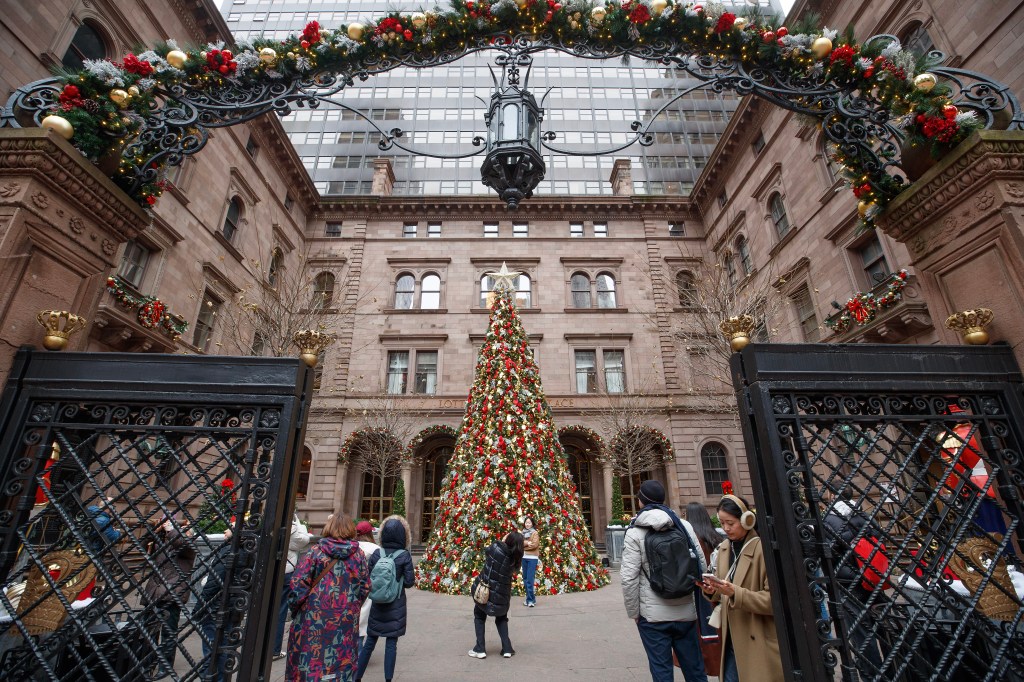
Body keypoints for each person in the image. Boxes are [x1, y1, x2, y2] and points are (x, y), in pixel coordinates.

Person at [621, 480, 708, 682]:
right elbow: (700, 565)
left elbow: (628, 579)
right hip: (685, 613)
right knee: (695, 670)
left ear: (641, 501)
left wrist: (635, 613)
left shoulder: (635, 531)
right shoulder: (683, 526)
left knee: (662, 672)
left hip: (652, 617)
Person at [701, 494, 783, 682]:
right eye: (722, 523)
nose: (726, 528)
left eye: (730, 522)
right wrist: (710, 590)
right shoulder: (723, 549)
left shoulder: (763, 550)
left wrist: (734, 593)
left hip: (758, 638)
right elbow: (721, 591)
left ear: (747, 520)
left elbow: (774, 601)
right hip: (731, 639)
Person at [286, 513, 370, 682]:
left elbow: (297, 586)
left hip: (312, 620)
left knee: (310, 663)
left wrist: (297, 609)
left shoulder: (315, 552)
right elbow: (365, 587)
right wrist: (351, 606)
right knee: (340, 664)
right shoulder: (358, 555)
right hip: (344, 621)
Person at [821, 494, 885, 672]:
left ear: (832, 496)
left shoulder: (829, 519)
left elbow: (828, 551)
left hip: (847, 583)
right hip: (872, 577)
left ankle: (871, 673)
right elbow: (879, 537)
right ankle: (892, 667)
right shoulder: (863, 515)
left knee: (861, 634)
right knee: (884, 626)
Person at [355, 515, 415, 682]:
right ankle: (388, 679)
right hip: (396, 604)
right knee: (391, 644)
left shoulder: (376, 553)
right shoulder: (404, 556)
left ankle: (357, 677)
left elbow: (367, 578)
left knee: (369, 643)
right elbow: (410, 582)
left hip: (377, 603)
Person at [143, 515, 197, 679]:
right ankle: (148, 662)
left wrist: (172, 530)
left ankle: (165, 665)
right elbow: (142, 545)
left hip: (171, 593)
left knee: (168, 631)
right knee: (149, 631)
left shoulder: (188, 546)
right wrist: (153, 531)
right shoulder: (163, 544)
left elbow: (182, 544)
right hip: (153, 592)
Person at [468, 531, 524, 660]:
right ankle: (507, 649)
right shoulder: (516, 557)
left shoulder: (496, 548)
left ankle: (480, 649)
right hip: (502, 595)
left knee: (479, 616)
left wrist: (502, 539)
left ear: (508, 539)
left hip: (486, 592)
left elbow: (487, 551)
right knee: (501, 618)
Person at [685, 501, 724, 677]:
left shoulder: (690, 540)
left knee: (698, 638)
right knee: (717, 633)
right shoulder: (717, 538)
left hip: (698, 594)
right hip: (718, 594)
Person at [195, 527, 236, 681]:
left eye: (230, 528)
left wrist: (200, 607)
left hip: (215, 606)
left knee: (211, 649)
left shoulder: (228, 552)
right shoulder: (247, 550)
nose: (225, 530)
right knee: (224, 647)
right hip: (232, 606)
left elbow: (213, 583)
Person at [273, 515, 312, 660]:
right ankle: (274, 650)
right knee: (280, 611)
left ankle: (254, 647)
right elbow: (304, 540)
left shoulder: (266, 525)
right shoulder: (292, 531)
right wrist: (299, 524)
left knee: (261, 610)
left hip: (266, 572)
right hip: (285, 573)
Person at [355, 520, 381, 648]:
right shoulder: (376, 549)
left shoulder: (351, 546)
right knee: (363, 623)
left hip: (351, 588)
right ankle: (359, 655)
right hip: (368, 589)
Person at [520, 516, 540, 607]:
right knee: (525, 578)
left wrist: (524, 546)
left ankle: (530, 600)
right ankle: (531, 599)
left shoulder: (535, 533)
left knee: (529, 580)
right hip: (523, 557)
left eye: (529, 523)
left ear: (532, 523)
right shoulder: (522, 533)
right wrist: (527, 543)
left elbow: (535, 545)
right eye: (526, 523)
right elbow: (519, 543)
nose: (527, 524)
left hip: (532, 558)